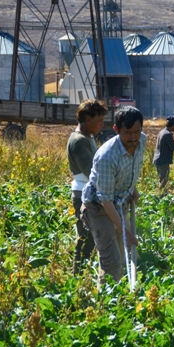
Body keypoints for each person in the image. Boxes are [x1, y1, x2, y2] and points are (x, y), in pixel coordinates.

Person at [80, 106, 147, 284]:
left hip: (120, 202)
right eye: (128, 133)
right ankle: (106, 306)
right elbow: (106, 201)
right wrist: (127, 233)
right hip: (99, 208)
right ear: (116, 130)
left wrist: (133, 189)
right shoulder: (107, 156)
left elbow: (132, 167)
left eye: (137, 131)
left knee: (122, 255)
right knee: (112, 263)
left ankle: (118, 296)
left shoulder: (142, 141)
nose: (133, 138)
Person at [67, 99, 108, 275]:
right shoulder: (79, 141)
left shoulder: (87, 138)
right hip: (84, 193)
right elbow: (92, 171)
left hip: (88, 192)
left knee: (90, 237)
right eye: (99, 120)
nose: (102, 124)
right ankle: (77, 277)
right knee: (85, 239)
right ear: (87, 119)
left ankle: (83, 274)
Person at [152, 116, 174, 189]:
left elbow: (170, 146)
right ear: (173, 125)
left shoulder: (163, 131)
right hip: (162, 161)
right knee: (164, 183)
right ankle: (162, 197)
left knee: (162, 181)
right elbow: (173, 147)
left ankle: (161, 196)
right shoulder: (167, 134)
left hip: (159, 160)